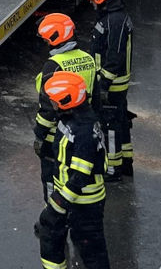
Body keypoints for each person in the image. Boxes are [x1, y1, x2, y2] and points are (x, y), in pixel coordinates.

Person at [35, 71, 110, 269]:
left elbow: (80, 177)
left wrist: (58, 205)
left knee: (92, 252)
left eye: (55, 102)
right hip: (70, 198)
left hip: (83, 203)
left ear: (67, 102)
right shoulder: (72, 118)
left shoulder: (83, 130)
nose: (53, 106)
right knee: (50, 237)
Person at [33, 13, 97, 202]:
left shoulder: (53, 66)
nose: (45, 43)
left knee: (52, 179)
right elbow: (96, 99)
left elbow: (47, 109)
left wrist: (39, 135)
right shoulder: (88, 59)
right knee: (76, 176)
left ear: (54, 38)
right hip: (83, 129)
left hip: (57, 136)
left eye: (46, 39)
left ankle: (54, 216)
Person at [84, 0, 134, 180]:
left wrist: (103, 84)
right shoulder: (113, 16)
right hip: (113, 83)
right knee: (120, 122)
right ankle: (126, 163)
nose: (91, 3)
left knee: (110, 127)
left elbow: (114, 56)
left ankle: (113, 169)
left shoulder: (114, 21)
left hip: (112, 85)